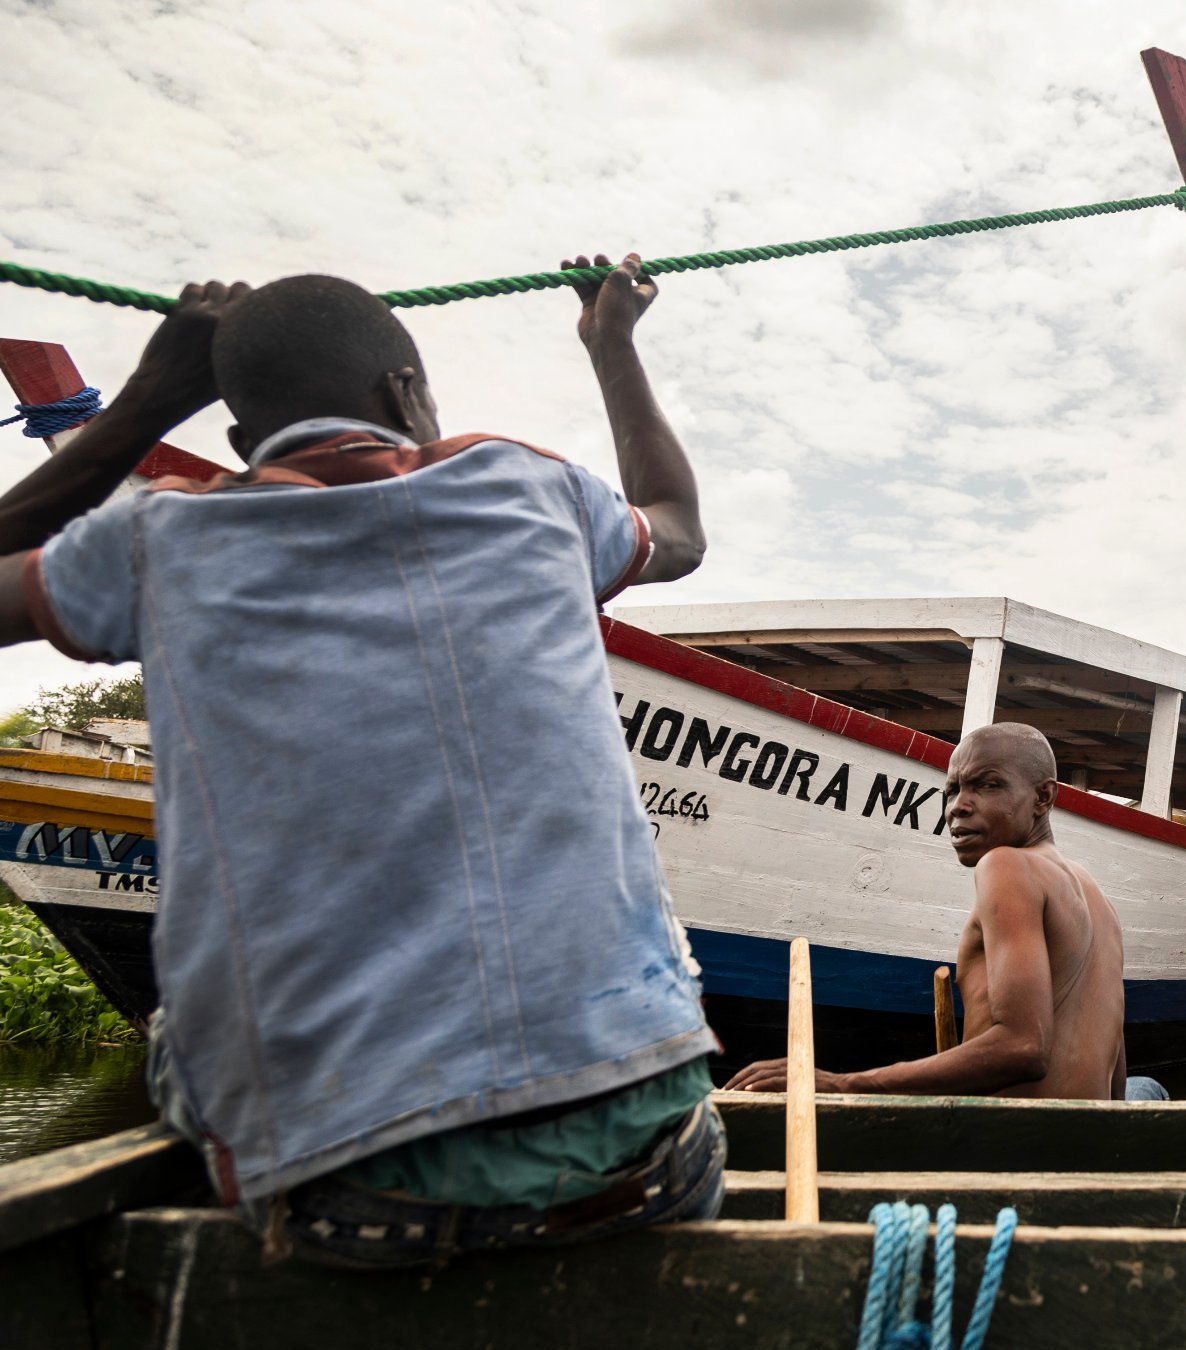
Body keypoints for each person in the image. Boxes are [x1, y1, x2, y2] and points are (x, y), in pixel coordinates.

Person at [0, 254, 724, 1265]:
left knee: (180, 1036)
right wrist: (613, 346)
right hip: (654, 1164)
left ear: (243, 440)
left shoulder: (157, 537)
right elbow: (680, 530)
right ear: (406, 393)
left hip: (361, 1204)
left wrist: (147, 400)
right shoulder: (536, 492)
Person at [727, 721, 1158, 1099]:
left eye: (986, 785)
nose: (958, 806)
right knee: (1145, 1090)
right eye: (952, 789)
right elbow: (1115, 1084)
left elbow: (1024, 1049)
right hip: (1093, 1146)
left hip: (1017, 1153)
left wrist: (843, 1084)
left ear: (1043, 798)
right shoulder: (1097, 896)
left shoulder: (1006, 864)